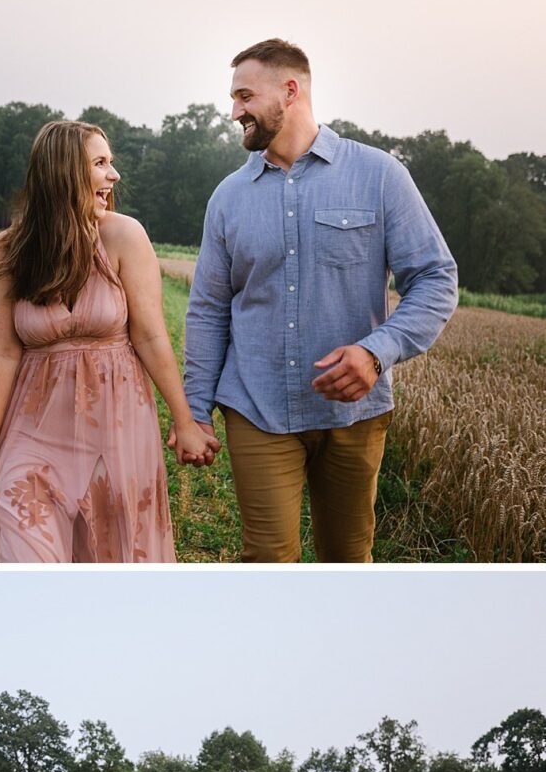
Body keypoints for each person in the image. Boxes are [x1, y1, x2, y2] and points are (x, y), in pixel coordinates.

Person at [182, 38, 458, 562]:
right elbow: (208, 309)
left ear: (290, 91)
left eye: (244, 96)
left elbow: (436, 277)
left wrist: (377, 351)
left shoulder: (379, 176)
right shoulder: (227, 198)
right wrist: (195, 410)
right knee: (267, 563)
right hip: (256, 405)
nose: (234, 111)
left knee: (347, 562)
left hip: (354, 414)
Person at [0, 119, 215, 562]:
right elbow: (1, 354)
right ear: (62, 173)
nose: (114, 175)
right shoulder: (7, 252)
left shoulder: (124, 235)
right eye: (100, 164)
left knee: (112, 560)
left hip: (116, 427)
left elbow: (151, 334)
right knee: (27, 556)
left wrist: (185, 421)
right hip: (34, 429)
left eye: (110, 162)